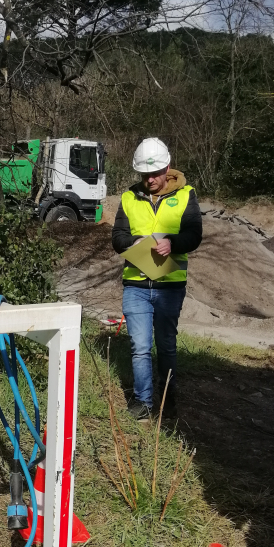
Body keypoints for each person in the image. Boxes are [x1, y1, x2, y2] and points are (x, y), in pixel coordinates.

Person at [112, 137, 202, 420]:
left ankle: (167, 397)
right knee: (139, 346)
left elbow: (194, 235)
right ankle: (143, 402)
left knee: (165, 344)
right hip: (135, 284)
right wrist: (136, 241)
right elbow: (117, 238)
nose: (150, 179)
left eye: (155, 173)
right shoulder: (128, 197)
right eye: (145, 175)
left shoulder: (186, 195)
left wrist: (172, 243)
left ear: (167, 168)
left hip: (169, 286)